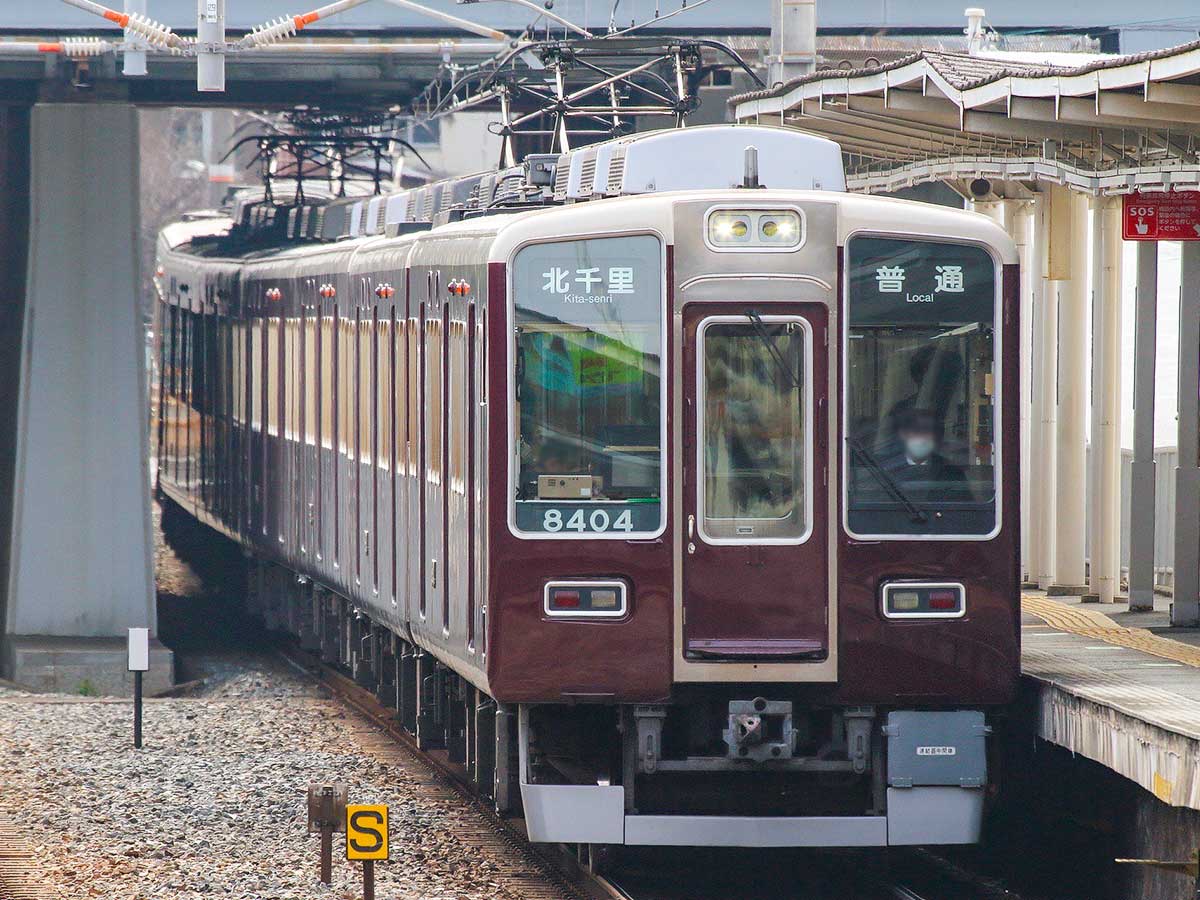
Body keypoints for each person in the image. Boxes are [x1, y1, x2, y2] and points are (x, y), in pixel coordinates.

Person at [888, 408, 972, 503]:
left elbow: (964, 509)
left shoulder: (952, 472)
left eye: (927, 431)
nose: (922, 437)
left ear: (936, 436)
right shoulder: (886, 471)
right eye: (916, 431)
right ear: (903, 434)